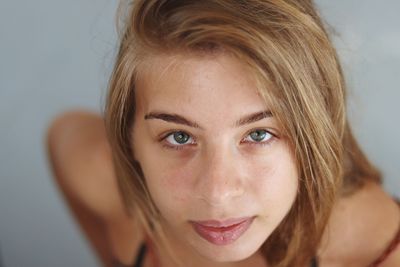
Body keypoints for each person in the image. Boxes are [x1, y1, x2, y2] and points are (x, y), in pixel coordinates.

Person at [46, 0, 400, 266]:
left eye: (259, 134)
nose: (217, 194)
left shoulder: (378, 255)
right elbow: (62, 136)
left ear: (314, 134)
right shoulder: (102, 180)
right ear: (129, 141)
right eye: (179, 137)